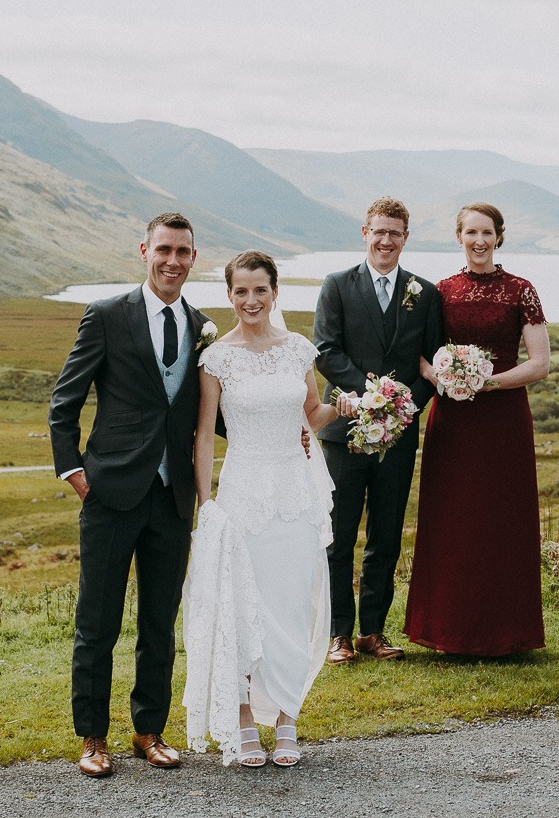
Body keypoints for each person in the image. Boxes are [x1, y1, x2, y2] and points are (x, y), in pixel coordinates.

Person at [48, 212, 214, 776]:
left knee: (159, 623)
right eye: (163, 249)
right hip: (111, 490)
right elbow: (63, 403)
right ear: (144, 251)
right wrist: (75, 473)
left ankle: (149, 729)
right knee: (97, 621)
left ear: (195, 258)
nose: (172, 261)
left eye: (183, 252)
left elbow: (211, 413)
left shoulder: (203, 325)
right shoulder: (106, 315)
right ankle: (92, 737)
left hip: (173, 497)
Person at [184, 251, 342, 767]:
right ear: (229, 296)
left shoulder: (299, 350)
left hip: (294, 495)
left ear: (275, 292)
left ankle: (290, 720)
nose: (251, 301)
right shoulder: (216, 358)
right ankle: (247, 719)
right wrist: (206, 502)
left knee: (293, 606)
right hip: (243, 493)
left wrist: (360, 406)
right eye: (240, 292)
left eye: (260, 290)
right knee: (244, 608)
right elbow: (205, 434)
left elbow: (312, 413)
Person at [404, 203, 551, 656]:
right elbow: (422, 356)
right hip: (455, 420)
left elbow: (541, 363)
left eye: (487, 232)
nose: (479, 240)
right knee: (454, 519)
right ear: (459, 236)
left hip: (504, 419)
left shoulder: (521, 290)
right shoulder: (441, 291)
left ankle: (507, 633)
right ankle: (451, 631)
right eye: (471, 232)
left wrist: (489, 383)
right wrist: (443, 378)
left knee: (502, 518)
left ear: (499, 237)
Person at [313, 197, 443, 665]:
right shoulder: (336, 286)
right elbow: (326, 351)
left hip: (400, 435)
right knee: (339, 534)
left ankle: (373, 631)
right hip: (345, 431)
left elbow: (429, 363)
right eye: (379, 231)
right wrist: (374, 400)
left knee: (385, 534)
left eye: (395, 233)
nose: (386, 240)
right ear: (364, 233)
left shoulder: (424, 293)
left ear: (406, 238)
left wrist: (402, 410)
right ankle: (339, 634)